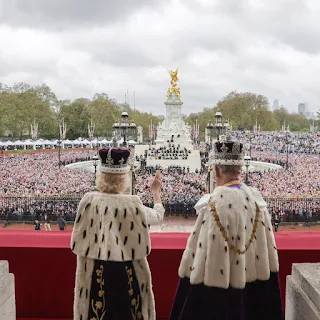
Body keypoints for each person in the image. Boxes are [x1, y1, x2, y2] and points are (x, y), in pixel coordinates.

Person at [169, 135, 283, 320]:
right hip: (255, 291)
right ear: (240, 169)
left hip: (221, 295)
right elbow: (269, 255)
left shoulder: (214, 205)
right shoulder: (256, 200)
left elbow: (205, 260)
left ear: (216, 171)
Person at [71, 147, 164, 320]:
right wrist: (156, 194)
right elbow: (158, 216)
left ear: (100, 176)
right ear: (124, 178)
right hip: (126, 270)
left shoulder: (88, 201)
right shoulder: (133, 204)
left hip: (95, 270)